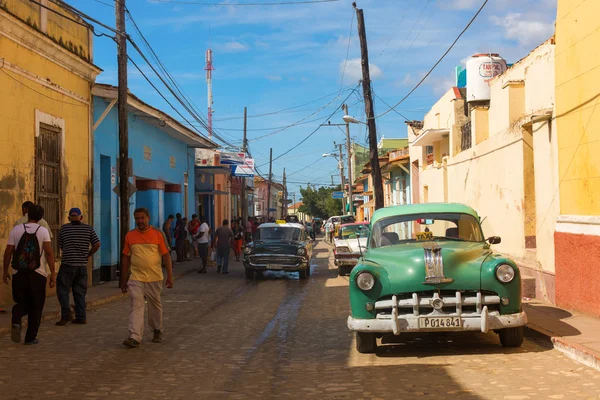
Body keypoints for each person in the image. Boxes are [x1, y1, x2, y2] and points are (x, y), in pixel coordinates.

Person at [120, 207, 174, 348]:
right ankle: (134, 336)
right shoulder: (130, 236)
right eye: (137, 218)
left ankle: (157, 329)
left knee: (154, 304)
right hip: (136, 277)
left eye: (142, 218)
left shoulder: (157, 234)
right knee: (136, 304)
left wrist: (170, 276)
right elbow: (125, 258)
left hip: (154, 277)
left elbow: (166, 255)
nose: (140, 221)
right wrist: (123, 279)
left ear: (148, 218)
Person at [3, 204, 56, 345]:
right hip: (38, 273)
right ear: (41, 217)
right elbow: (49, 253)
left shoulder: (16, 229)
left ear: (27, 214)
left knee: (20, 301)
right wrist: (53, 273)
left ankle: (16, 319)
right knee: (36, 305)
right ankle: (30, 337)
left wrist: (4, 272)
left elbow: (8, 252)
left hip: (18, 272)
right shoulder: (43, 231)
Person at [55, 208, 100, 326]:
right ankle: (81, 316)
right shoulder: (88, 229)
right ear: (81, 217)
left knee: (62, 290)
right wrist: (88, 254)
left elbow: (60, 245)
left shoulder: (64, 228)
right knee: (79, 292)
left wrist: (69, 252)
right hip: (82, 265)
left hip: (68, 264)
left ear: (69, 218)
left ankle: (66, 315)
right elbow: (97, 244)